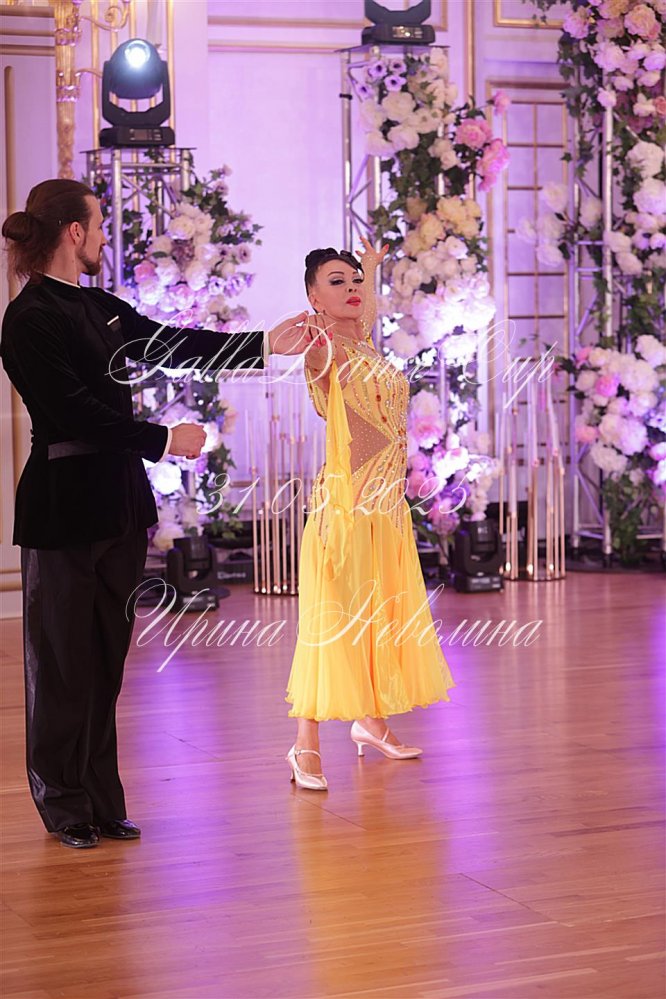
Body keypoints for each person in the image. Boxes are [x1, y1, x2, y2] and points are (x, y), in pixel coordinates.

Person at [0, 179, 312, 847]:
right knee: (61, 664)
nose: (104, 237)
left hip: (118, 505)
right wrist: (165, 439)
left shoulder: (101, 308)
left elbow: (174, 343)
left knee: (105, 663)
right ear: (74, 232)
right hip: (61, 510)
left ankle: (101, 799)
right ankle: (63, 803)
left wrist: (265, 344)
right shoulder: (27, 319)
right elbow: (75, 413)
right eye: (98, 225)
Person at [285, 238, 456, 790]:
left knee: (380, 616)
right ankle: (304, 745)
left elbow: (364, 310)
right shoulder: (322, 348)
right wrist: (305, 336)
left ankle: (371, 722)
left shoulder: (365, 343)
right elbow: (313, 351)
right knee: (332, 623)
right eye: (336, 282)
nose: (353, 289)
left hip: (387, 510)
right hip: (345, 510)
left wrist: (371, 271)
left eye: (355, 281)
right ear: (314, 297)